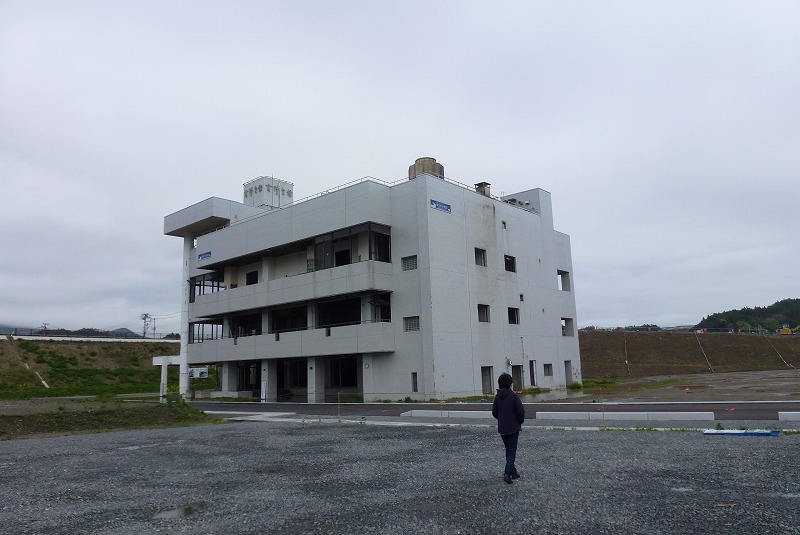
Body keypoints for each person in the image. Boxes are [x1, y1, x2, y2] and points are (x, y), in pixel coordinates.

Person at [491, 372, 525, 484]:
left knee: (508, 450)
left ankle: (513, 472)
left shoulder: (498, 397)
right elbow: (520, 412)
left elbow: (494, 412)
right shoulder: (514, 396)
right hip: (513, 427)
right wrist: (520, 421)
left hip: (503, 428)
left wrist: (501, 419)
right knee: (512, 451)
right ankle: (507, 473)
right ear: (510, 383)